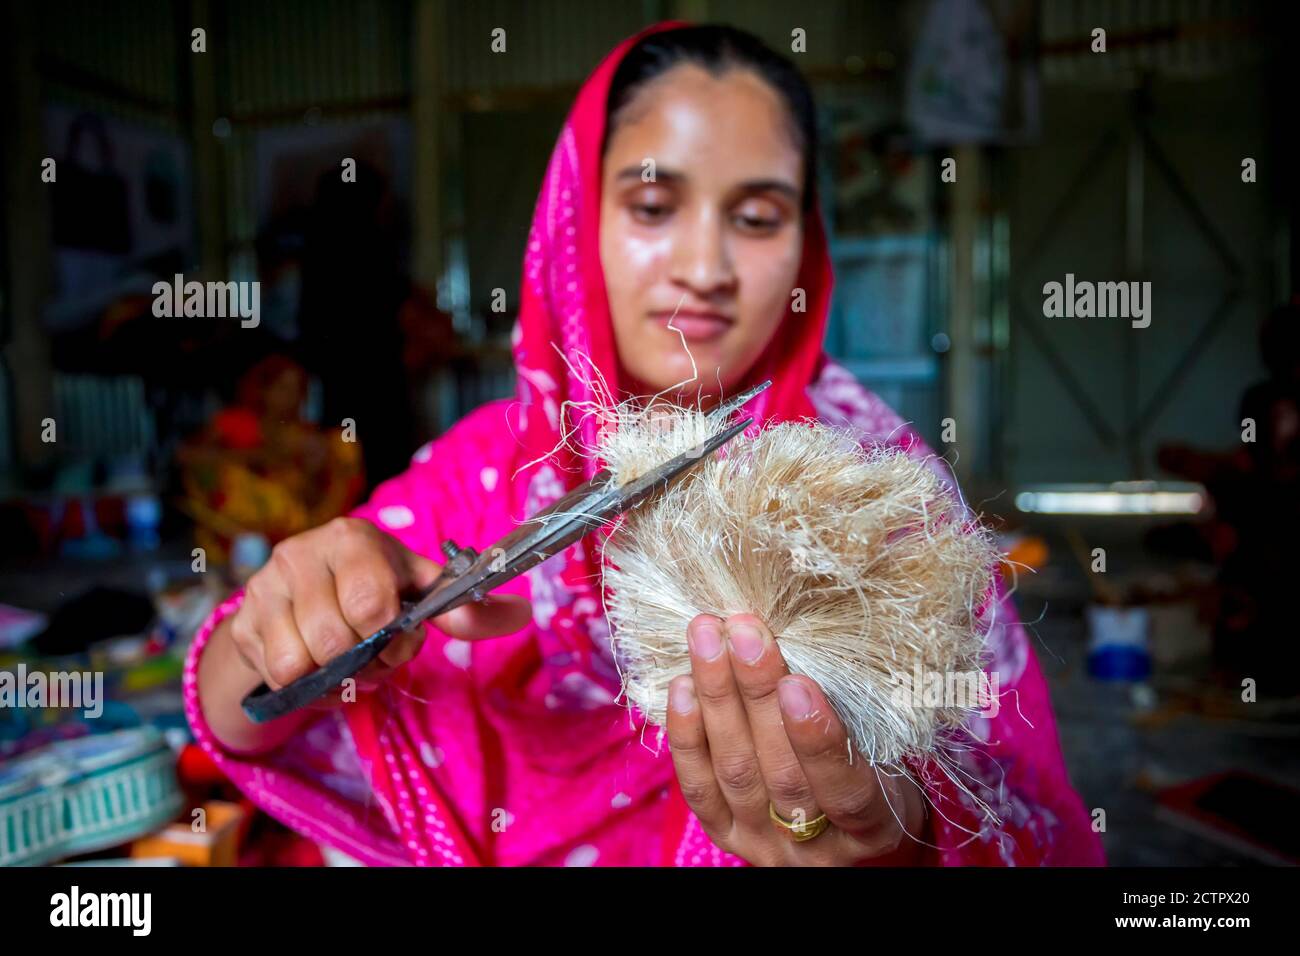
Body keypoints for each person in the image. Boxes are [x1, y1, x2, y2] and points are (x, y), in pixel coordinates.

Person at [186, 22, 1103, 866]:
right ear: (575, 218)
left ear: (804, 244)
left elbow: (1029, 819)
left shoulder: (879, 497)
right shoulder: (480, 474)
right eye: (654, 204)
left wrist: (895, 843)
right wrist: (275, 626)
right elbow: (240, 722)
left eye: (756, 217)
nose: (704, 269)